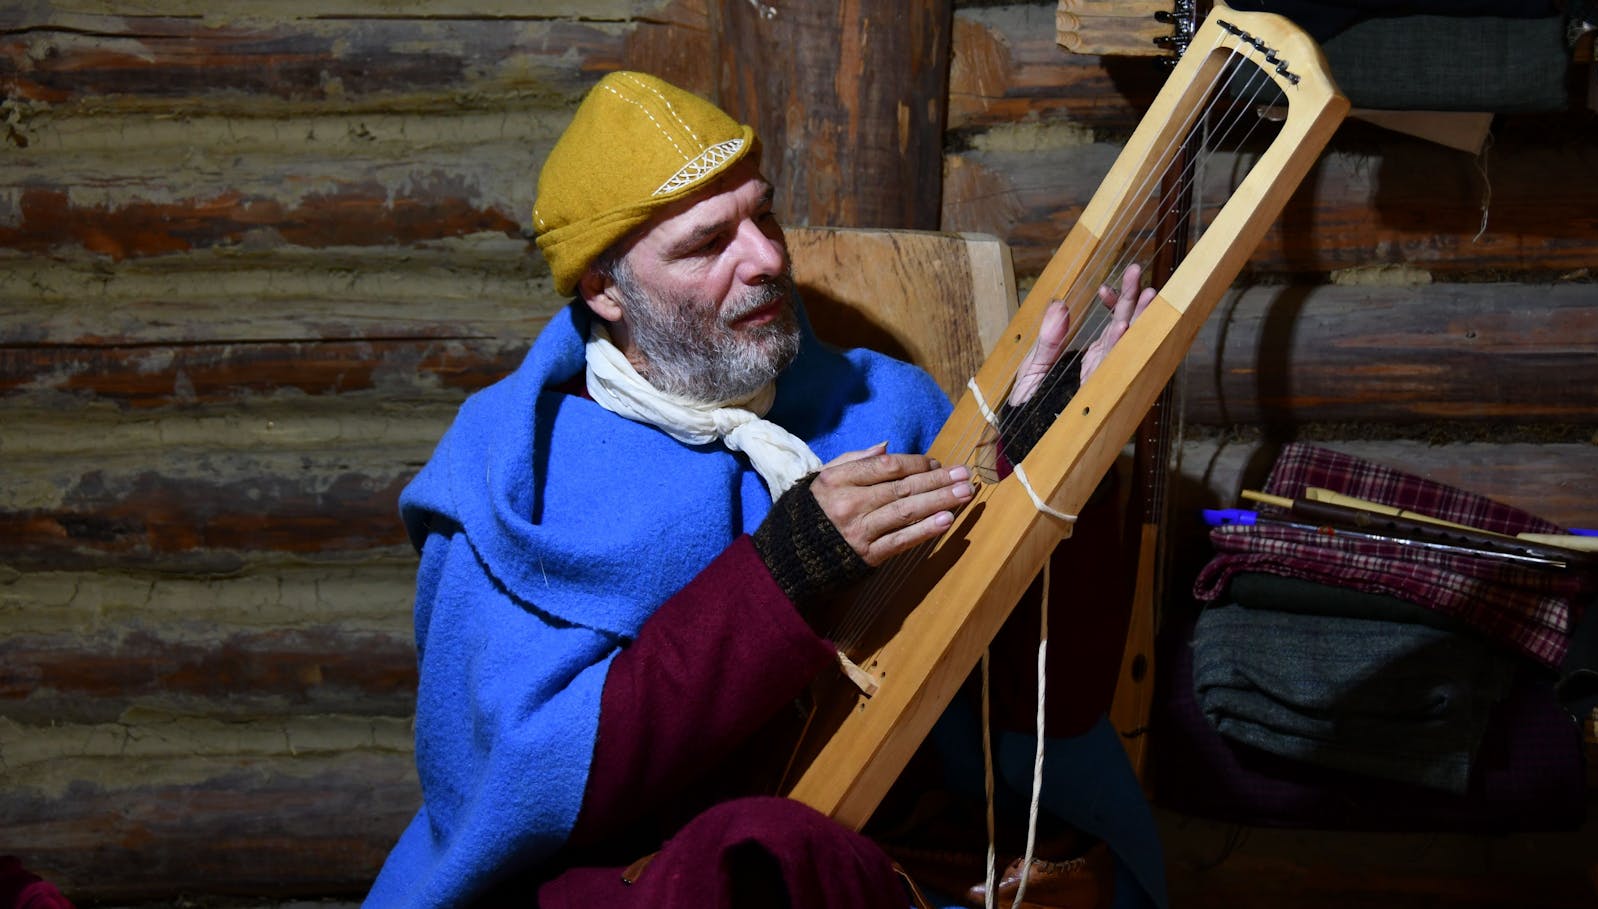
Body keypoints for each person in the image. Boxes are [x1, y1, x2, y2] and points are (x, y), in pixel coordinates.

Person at [364, 71, 1163, 909]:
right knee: (756, 856)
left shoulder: (883, 404)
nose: (770, 258)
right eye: (709, 244)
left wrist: (1061, 462)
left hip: (892, 859)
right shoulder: (515, 480)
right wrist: (783, 570)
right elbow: (514, 787)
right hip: (636, 877)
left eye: (764, 214)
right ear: (606, 289)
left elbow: (1043, 711)